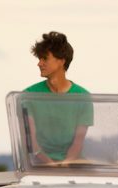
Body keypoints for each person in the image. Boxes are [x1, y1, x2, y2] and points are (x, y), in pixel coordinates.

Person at [24, 31, 93, 164]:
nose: (39, 63)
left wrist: (65, 164)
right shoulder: (28, 96)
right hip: (38, 166)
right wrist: (51, 165)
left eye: (44, 58)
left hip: (73, 165)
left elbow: (78, 143)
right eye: (39, 59)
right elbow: (32, 143)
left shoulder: (83, 97)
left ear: (61, 61)